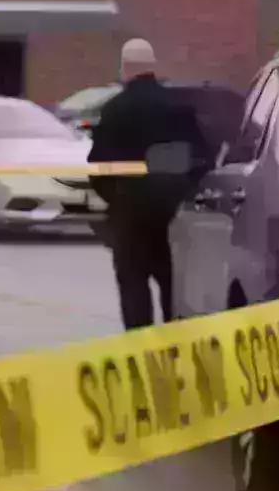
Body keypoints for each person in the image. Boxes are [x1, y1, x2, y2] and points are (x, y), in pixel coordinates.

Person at [87, 39, 209, 331]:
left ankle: (141, 352)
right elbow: (202, 158)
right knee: (173, 286)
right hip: (174, 216)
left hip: (130, 217)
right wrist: (183, 194)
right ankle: (174, 348)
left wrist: (116, 199)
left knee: (134, 289)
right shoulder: (180, 109)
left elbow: (99, 166)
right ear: (152, 67)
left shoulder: (115, 110)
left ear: (125, 68)